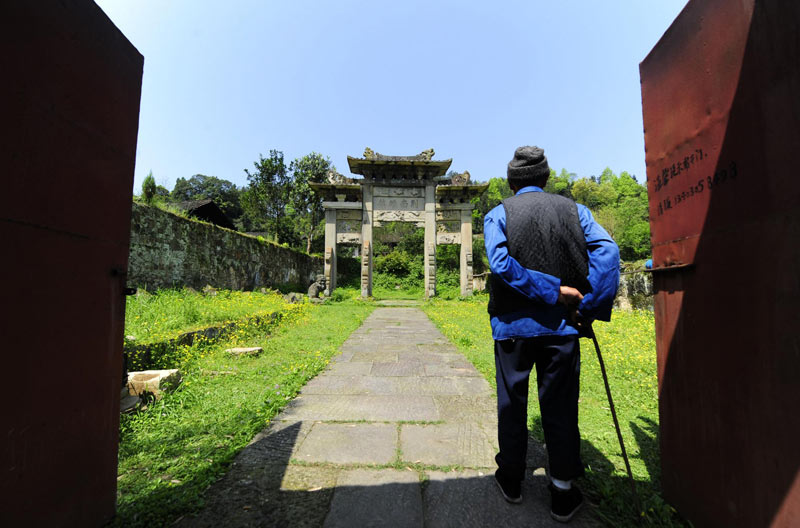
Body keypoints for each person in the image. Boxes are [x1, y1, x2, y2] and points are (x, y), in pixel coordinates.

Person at [485, 146, 619, 522]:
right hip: (561, 327)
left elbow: (499, 263)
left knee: (512, 403)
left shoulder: (498, 214)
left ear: (511, 183)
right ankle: (562, 490)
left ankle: (511, 478)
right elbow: (608, 252)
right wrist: (583, 304)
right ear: (546, 179)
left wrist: (548, 289)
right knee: (560, 405)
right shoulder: (576, 211)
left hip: (511, 326)